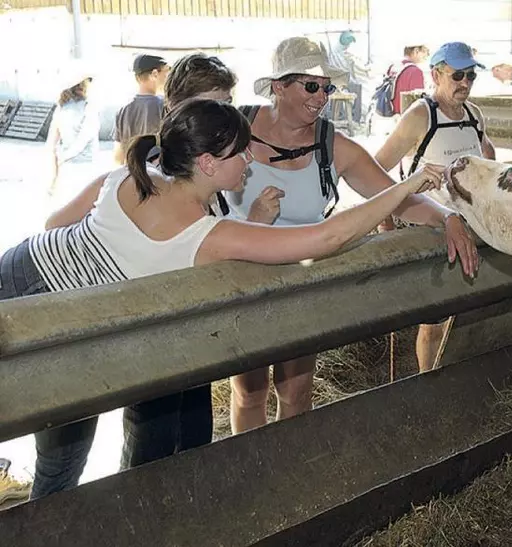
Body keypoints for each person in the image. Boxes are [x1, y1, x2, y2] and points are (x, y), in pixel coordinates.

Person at [0, 98, 443, 500]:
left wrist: (255, 219)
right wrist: (406, 188)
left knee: (63, 458)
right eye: (240, 152)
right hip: (47, 320)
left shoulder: (135, 175)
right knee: (61, 464)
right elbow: (327, 237)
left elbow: (57, 224)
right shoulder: (207, 234)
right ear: (209, 164)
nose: (250, 159)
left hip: (25, 272)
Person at [224, 36, 479, 434]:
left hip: (301, 283)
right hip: (241, 282)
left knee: (296, 391)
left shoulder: (332, 146)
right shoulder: (233, 130)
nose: (321, 97)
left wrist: (446, 216)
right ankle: (248, 470)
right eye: (311, 86)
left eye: (326, 87)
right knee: (249, 392)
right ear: (278, 86)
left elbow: (392, 197)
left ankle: (283, 466)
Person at [36, 52, 236, 493]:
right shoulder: (140, 174)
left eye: (226, 106)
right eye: (207, 105)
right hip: (104, 322)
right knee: (72, 448)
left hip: (180, 331)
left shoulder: (215, 181)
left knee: (189, 436)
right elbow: (56, 225)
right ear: (173, 112)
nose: (219, 118)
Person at [374, 41, 496, 373]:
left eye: (471, 75)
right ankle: (428, 382)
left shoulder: (474, 116)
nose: (465, 83)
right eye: (457, 75)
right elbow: (375, 170)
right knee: (434, 317)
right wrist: (385, 221)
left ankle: (452, 374)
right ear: (436, 75)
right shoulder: (420, 115)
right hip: (427, 229)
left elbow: (488, 159)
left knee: (461, 310)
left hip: (467, 227)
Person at [46, 63, 100, 208]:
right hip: (86, 168)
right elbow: (84, 138)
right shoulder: (89, 107)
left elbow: (51, 144)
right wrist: (66, 156)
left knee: (65, 214)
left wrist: (55, 175)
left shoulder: (61, 108)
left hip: (67, 169)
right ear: (83, 84)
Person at [112, 54, 170, 165]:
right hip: (157, 175)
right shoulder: (165, 105)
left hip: (131, 173)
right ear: (154, 74)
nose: (168, 77)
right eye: (166, 71)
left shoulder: (123, 110)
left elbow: (118, 157)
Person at [390, 44, 430, 115]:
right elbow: (418, 103)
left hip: (390, 115)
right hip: (405, 117)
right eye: (425, 51)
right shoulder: (416, 71)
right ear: (416, 51)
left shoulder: (393, 67)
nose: (427, 55)